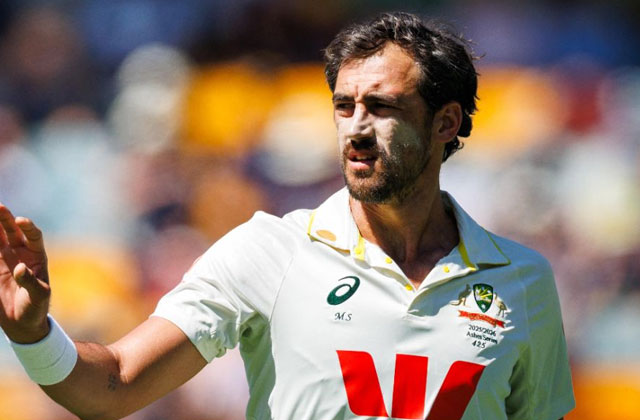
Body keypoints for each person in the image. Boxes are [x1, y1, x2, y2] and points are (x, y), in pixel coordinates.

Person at [0, 11, 574, 420]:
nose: (356, 129)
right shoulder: (267, 252)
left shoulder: (523, 281)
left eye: (381, 107)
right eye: (344, 107)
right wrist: (33, 336)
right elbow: (114, 385)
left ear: (445, 122)